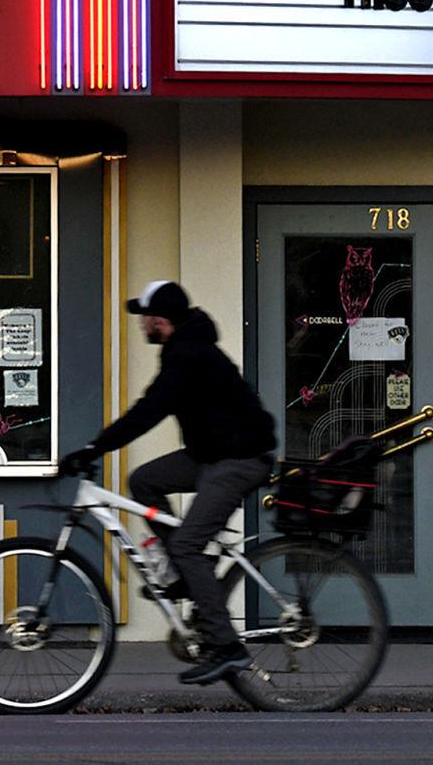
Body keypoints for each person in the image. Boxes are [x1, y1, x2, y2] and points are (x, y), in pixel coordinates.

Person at [61, 279, 276, 686]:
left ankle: (227, 647)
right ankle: (183, 575)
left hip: (239, 459)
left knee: (188, 544)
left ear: (159, 320)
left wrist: (93, 448)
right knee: (144, 481)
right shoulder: (183, 348)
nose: (141, 325)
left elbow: (148, 411)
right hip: (212, 454)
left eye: (144, 318)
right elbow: (152, 409)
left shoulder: (187, 355)